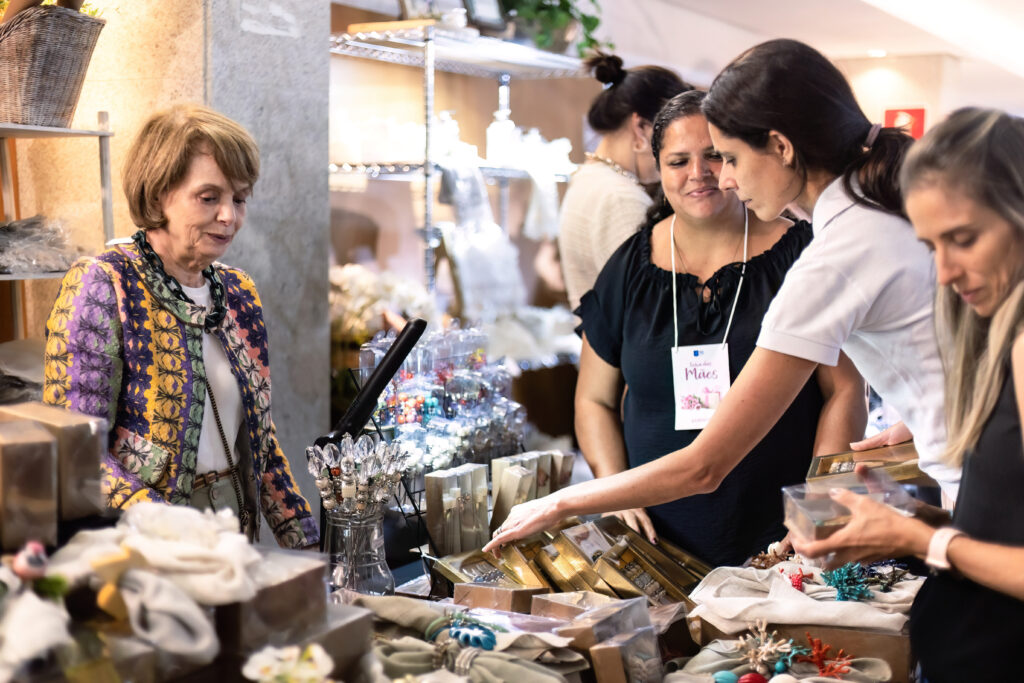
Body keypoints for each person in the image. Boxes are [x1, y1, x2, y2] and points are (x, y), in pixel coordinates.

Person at [485, 38, 958, 554]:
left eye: (726, 157)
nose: (721, 178)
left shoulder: (829, 255)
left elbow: (705, 465)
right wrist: (925, 411)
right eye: (680, 161)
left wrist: (562, 502)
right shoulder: (873, 213)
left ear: (781, 147)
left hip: (975, 484)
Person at [573, 90, 865, 566]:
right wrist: (615, 490)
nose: (698, 173)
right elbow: (593, 400)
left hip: (783, 539)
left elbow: (846, 390)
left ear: (736, 159)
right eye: (678, 161)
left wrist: (818, 503)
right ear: (658, 169)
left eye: (713, 156)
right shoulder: (628, 268)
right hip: (657, 546)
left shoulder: (804, 255)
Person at [794, 107, 1024, 683]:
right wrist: (914, 520)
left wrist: (925, 538)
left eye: (963, 240)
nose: (944, 272)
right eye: (931, 246)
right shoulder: (1002, 334)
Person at [43, 104, 318, 549]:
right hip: (144, 538)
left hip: (233, 524)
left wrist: (306, 544)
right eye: (209, 197)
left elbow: (260, 439)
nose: (229, 216)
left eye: (239, 198)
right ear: (158, 198)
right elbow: (77, 452)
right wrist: (168, 526)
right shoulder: (105, 283)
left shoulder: (238, 291)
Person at [558, 52, 691, 311]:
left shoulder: (591, 178)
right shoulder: (620, 197)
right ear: (641, 128)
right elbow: (649, 305)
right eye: (672, 137)